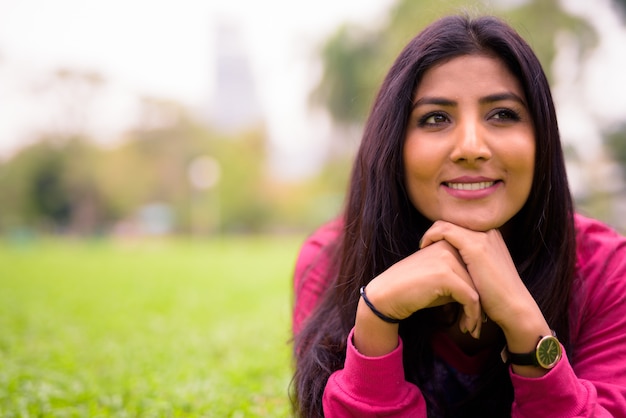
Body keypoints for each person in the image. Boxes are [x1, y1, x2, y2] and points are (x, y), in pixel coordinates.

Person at [291, 13, 626, 417]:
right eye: (436, 118)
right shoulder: (330, 264)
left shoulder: (607, 270)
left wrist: (524, 323)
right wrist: (377, 316)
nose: (471, 147)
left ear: (542, 139)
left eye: (502, 114)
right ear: (394, 143)